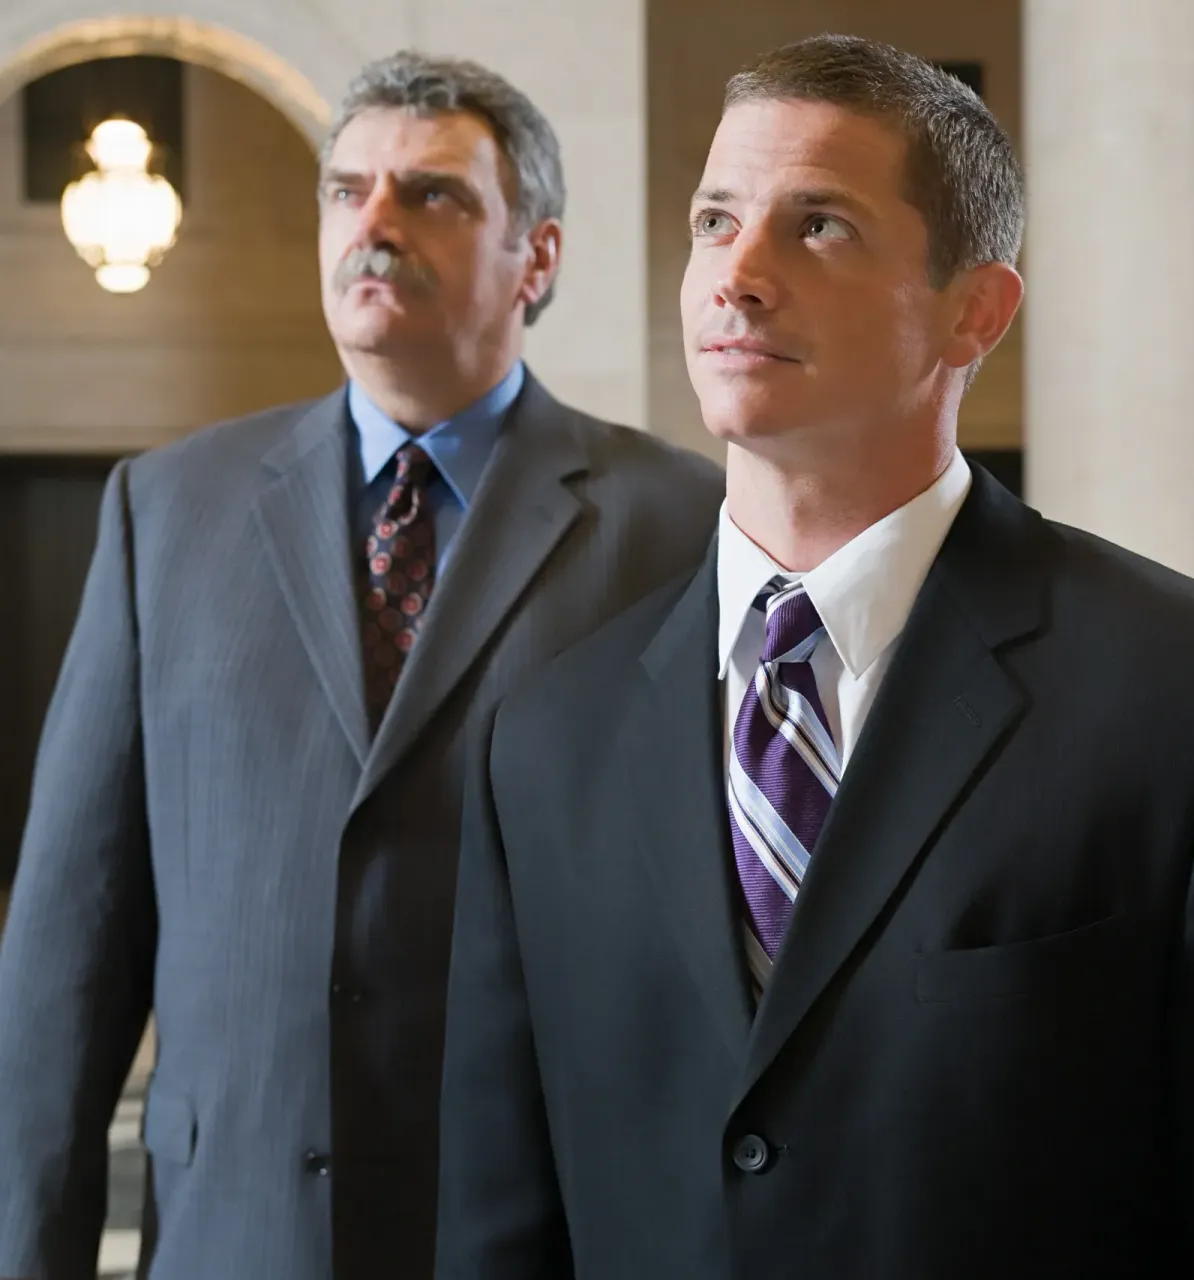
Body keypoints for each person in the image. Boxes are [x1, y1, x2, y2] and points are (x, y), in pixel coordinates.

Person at [435, 32, 1194, 1280]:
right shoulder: (545, 737)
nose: (736, 275)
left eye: (820, 227)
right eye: (714, 221)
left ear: (975, 310)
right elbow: (496, 1226)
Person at [0, 50, 720, 1280]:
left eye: (432, 194)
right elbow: (73, 939)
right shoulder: (163, 512)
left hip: (540, 1234)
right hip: (238, 1232)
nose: (374, 224)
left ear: (536, 256)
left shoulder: (677, 523)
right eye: (348, 191)